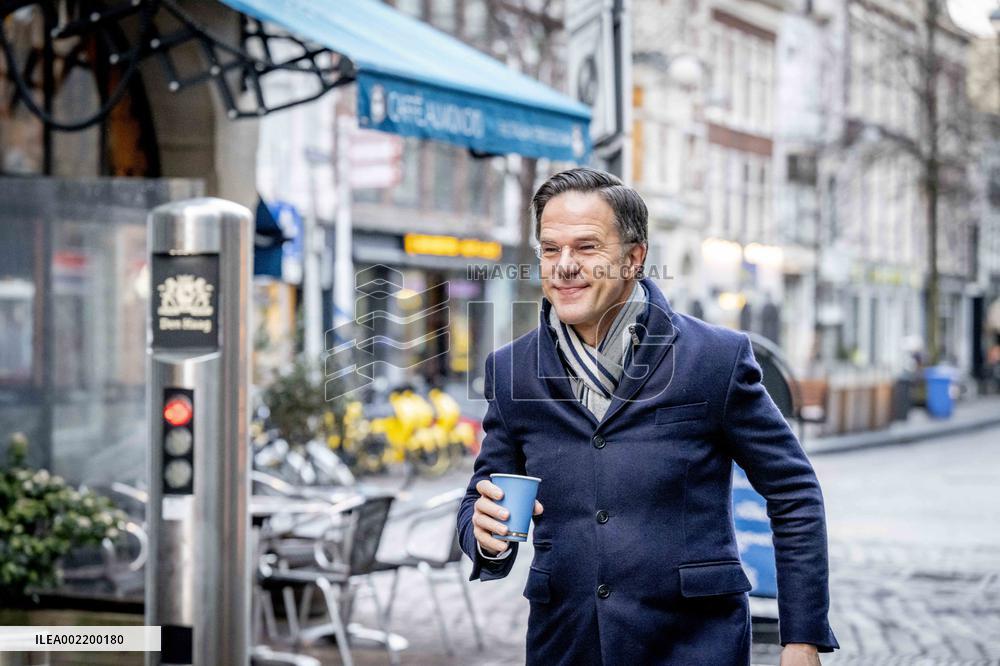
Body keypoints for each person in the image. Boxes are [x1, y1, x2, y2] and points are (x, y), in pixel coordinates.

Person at [456, 168, 839, 665]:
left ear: (633, 258)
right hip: (566, 647)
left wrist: (801, 638)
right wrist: (483, 534)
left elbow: (794, 491)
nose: (564, 266)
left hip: (692, 648)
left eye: (586, 247)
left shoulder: (714, 360)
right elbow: (481, 498)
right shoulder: (512, 371)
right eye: (550, 250)